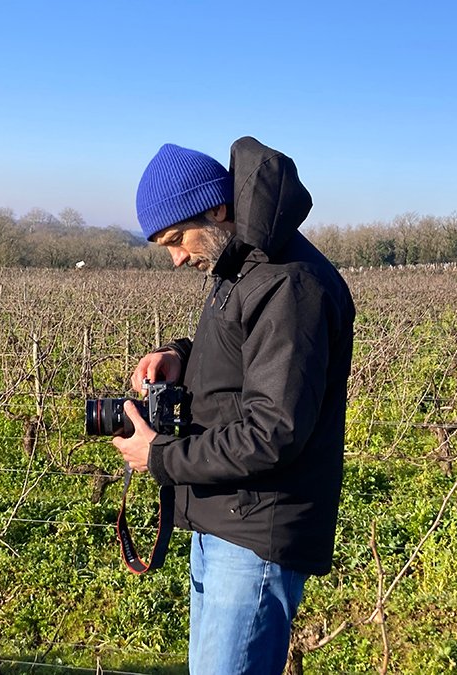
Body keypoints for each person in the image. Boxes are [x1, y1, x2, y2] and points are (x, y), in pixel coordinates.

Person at [111, 137, 355, 675]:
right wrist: (178, 355)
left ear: (217, 209)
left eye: (176, 239)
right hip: (226, 517)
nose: (175, 258)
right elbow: (244, 359)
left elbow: (274, 430)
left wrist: (160, 457)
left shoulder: (286, 283)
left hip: (254, 530)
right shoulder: (240, 265)